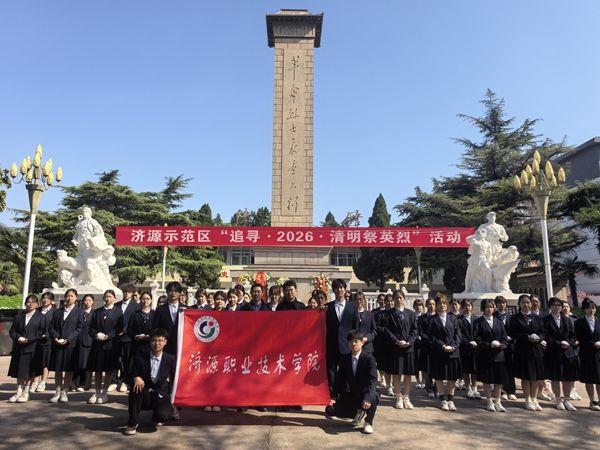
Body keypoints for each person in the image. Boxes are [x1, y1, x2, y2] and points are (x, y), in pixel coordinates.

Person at [325, 330, 379, 435]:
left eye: (356, 341)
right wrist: (334, 398)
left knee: (373, 399)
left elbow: (372, 381)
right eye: (350, 341)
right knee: (330, 410)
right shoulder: (345, 359)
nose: (353, 344)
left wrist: (367, 398)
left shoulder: (369, 359)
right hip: (353, 394)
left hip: (366, 393)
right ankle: (359, 413)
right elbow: (339, 380)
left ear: (362, 342)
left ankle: (368, 422)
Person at [124, 328, 176, 435]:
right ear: (150, 341)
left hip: (161, 393)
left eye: (160, 341)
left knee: (162, 416)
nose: (157, 343)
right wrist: (136, 377)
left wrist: (174, 402)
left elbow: (175, 379)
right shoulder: (140, 357)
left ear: (165, 342)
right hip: (145, 392)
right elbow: (130, 374)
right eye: (154, 340)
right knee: (135, 386)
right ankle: (132, 423)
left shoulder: (170, 359)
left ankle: (157, 415)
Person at [509, 294, 546, 411]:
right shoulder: (515, 318)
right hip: (523, 350)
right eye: (523, 302)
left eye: (528, 302)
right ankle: (527, 399)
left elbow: (543, 332)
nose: (526, 305)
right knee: (526, 376)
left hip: (536, 350)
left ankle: (534, 398)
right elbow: (512, 333)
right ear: (519, 304)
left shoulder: (537, 318)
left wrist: (539, 338)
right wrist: (526, 337)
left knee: (535, 376)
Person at [87, 289, 124, 404]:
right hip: (98, 344)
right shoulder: (97, 311)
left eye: (110, 296)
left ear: (114, 298)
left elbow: (119, 327)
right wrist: (96, 334)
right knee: (97, 369)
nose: (108, 298)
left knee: (108, 370)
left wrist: (109, 336)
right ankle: (97, 391)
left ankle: (104, 393)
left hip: (111, 345)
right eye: (106, 296)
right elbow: (90, 327)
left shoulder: (118, 312)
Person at [383, 289, 418, 410]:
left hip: (408, 348)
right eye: (396, 298)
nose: (398, 300)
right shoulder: (388, 314)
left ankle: (406, 397)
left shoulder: (411, 314)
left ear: (404, 299)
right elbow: (387, 330)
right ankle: (398, 397)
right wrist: (396, 341)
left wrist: (409, 341)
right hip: (395, 347)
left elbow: (415, 330)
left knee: (407, 374)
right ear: (393, 299)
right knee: (396, 373)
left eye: (400, 298)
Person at [48, 288, 84, 403]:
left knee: (69, 369)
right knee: (58, 369)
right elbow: (51, 327)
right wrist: (55, 337)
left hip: (70, 345)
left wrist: (68, 339)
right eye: (68, 296)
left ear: (76, 298)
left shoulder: (79, 312)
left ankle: (65, 392)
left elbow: (79, 328)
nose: (69, 298)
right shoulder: (58, 311)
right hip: (58, 344)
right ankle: (57, 392)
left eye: (72, 296)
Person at [543, 297, 579, 411]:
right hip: (554, 352)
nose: (557, 307)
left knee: (567, 377)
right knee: (555, 377)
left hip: (568, 352)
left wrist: (569, 343)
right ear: (550, 307)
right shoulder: (546, 320)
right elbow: (546, 336)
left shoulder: (567, 319)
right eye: (554, 305)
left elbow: (573, 335)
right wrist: (559, 343)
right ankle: (558, 400)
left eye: (559, 305)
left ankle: (567, 400)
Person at [8, 294, 45, 403]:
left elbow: (41, 331)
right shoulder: (19, 316)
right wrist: (18, 337)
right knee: (19, 371)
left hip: (32, 347)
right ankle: (18, 391)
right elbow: (12, 331)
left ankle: (26, 392)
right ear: (25, 303)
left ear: (37, 304)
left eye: (33, 302)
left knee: (29, 371)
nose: (30, 304)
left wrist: (29, 339)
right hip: (19, 347)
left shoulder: (41, 317)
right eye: (28, 302)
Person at [473, 299, 508, 412]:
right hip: (485, 354)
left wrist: (501, 345)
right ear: (483, 308)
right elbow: (477, 338)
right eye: (487, 307)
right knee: (487, 379)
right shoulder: (478, 322)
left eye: (491, 307)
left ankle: (498, 401)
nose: (489, 309)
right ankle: (489, 401)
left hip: (498, 355)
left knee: (498, 379)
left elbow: (504, 338)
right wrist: (489, 345)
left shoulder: (499, 322)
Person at [325, 279, 359, 395]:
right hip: (332, 344)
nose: (339, 290)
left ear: (345, 290)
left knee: (347, 370)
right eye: (336, 288)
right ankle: (333, 394)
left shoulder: (352, 306)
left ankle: (345, 394)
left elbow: (356, 326)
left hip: (347, 345)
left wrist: (354, 342)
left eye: (341, 288)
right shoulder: (327, 307)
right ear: (333, 290)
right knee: (331, 371)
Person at [428, 293, 462, 411]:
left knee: (452, 377)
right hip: (439, 352)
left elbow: (458, 334)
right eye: (439, 303)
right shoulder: (432, 319)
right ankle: (443, 400)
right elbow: (431, 336)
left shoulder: (453, 318)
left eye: (444, 303)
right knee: (439, 377)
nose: (442, 305)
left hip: (453, 352)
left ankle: (451, 400)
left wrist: (453, 346)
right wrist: (442, 345)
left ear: (447, 304)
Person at [113, 284, 141, 393]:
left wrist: (124, 330)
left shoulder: (136, 306)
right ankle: (114, 381)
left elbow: (134, 321)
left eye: (128, 292)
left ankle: (126, 381)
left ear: (132, 293)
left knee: (127, 360)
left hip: (129, 337)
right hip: (116, 336)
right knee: (116, 359)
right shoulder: (116, 305)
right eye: (124, 292)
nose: (126, 294)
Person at [574, 298, 600, 411]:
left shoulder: (598, 321)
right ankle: (592, 400)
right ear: (584, 309)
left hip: (598, 353)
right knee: (589, 378)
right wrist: (593, 343)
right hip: (586, 353)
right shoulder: (579, 322)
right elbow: (579, 337)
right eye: (588, 308)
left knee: (599, 378)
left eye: (593, 308)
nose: (591, 310)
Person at [152, 281, 185, 358]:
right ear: (167, 292)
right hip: (165, 344)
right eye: (170, 291)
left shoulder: (186, 309)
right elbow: (155, 327)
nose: (173, 293)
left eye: (176, 291)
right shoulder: (160, 309)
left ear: (180, 293)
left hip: (181, 343)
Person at [493, 295, 517, 400]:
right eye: (499, 303)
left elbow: (515, 330)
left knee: (510, 368)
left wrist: (511, 337)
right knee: (500, 369)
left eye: (503, 303)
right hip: (499, 346)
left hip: (509, 346)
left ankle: (511, 390)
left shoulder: (510, 317)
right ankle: (502, 390)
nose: (501, 305)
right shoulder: (493, 316)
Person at [33, 291, 56, 392]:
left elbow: (55, 326)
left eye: (47, 298)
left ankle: (43, 382)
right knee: (36, 361)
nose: (45, 300)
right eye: (43, 298)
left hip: (48, 340)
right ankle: (35, 381)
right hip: (36, 340)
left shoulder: (55, 312)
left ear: (51, 300)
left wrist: (49, 335)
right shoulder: (37, 311)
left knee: (45, 362)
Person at [458, 299, 479, 399]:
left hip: (475, 348)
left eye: (469, 305)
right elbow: (459, 334)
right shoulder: (459, 319)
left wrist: (476, 341)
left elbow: (478, 332)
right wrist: (467, 342)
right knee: (466, 370)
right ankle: (468, 388)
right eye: (465, 306)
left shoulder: (476, 319)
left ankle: (475, 388)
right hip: (464, 348)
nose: (467, 308)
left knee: (474, 370)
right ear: (462, 307)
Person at [374, 293, 394, 395]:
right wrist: (387, 331)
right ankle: (389, 386)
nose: (390, 303)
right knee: (385, 366)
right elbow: (377, 327)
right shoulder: (379, 314)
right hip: (383, 343)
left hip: (395, 344)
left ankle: (394, 385)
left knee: (393, 367)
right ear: (385, 303)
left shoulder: (397, 314)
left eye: (391, 301)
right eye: (388, 301)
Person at [75, 294, 95, 392]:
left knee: (86, 363)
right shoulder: (78, 312)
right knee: (76, 362)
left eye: (89, 300)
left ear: (93, 302)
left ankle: (85, 384)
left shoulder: (95, 313)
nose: (87, 302)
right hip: (77, 340)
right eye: (85, 300)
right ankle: (74, 383)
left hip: (89, 340)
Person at [418, 298, 437, 398]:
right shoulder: (422, 318)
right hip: (426, 345)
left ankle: (437, 388)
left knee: (437, 368)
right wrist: (429, 339)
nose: (431, 306)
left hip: (438, 346)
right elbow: (421, 331)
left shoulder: (439, 317)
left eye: (433, 304)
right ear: (426, 305)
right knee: (427, 368)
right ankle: (429, 388)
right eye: (429, 304)